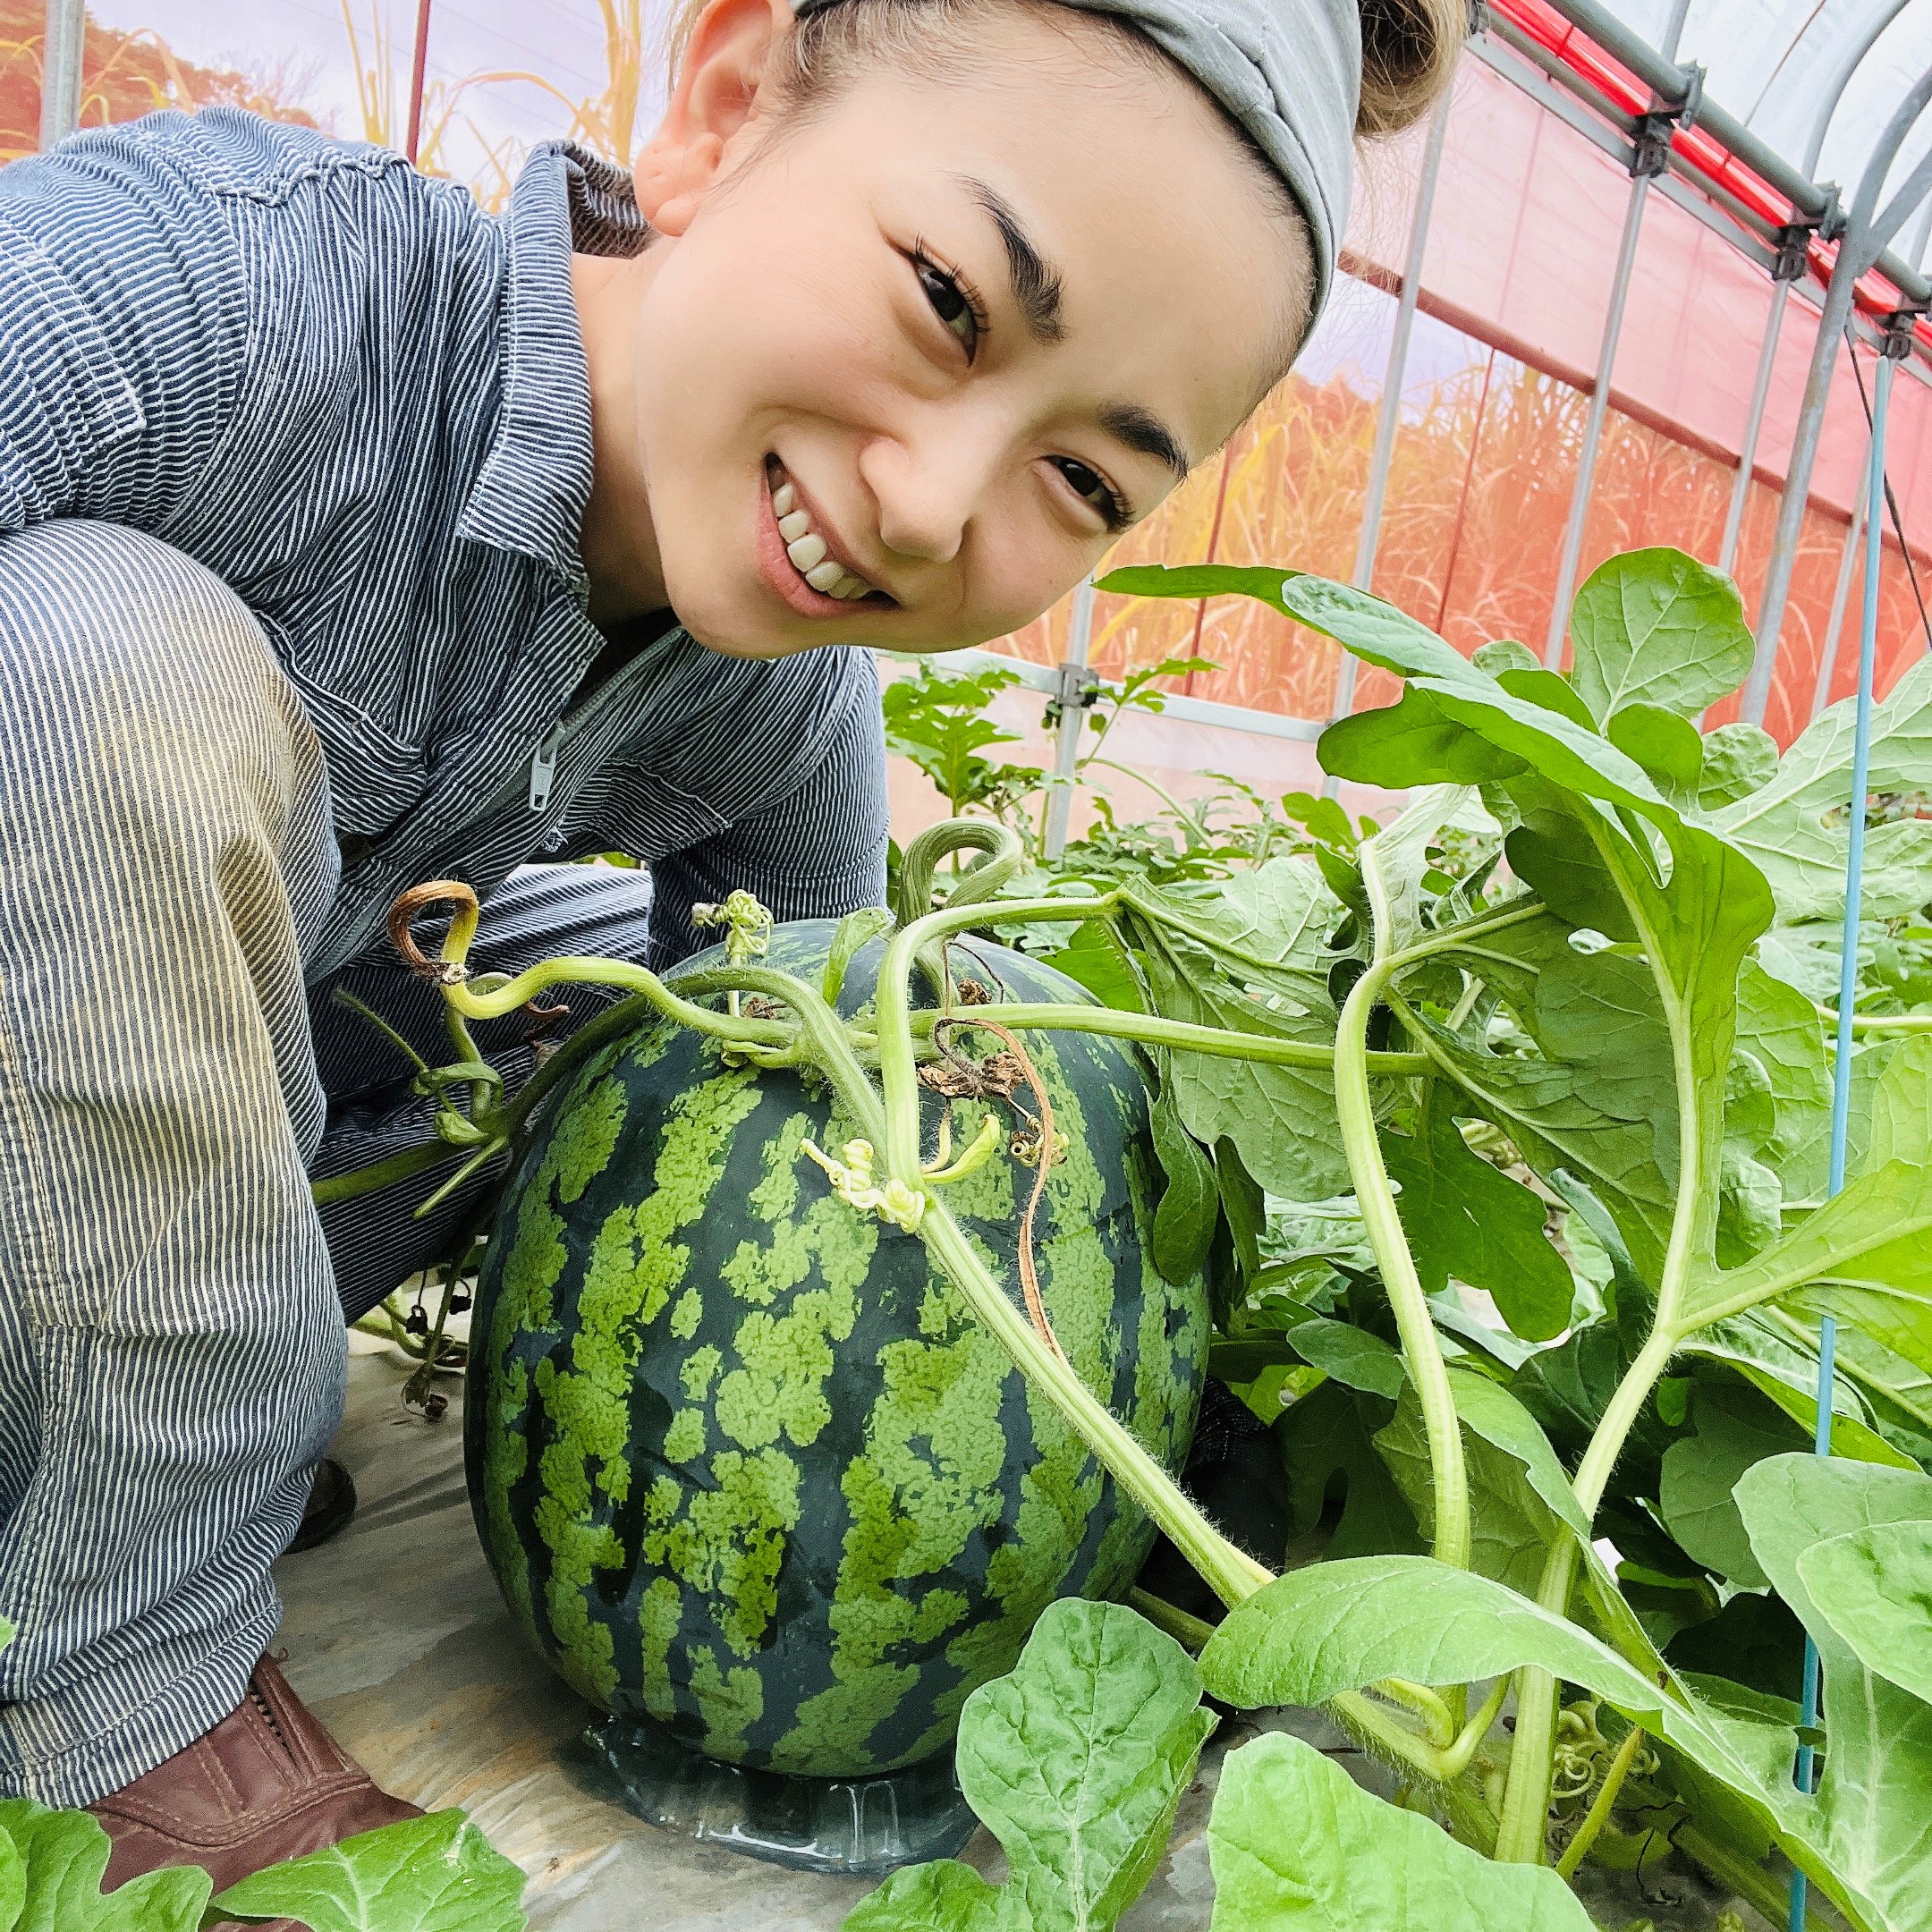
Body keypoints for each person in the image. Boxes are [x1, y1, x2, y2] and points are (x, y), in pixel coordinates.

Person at [0, 0, 1462, 1891]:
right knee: (104, 669)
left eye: (1088, 482)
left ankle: (101, 1475)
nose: (933, 505)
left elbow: (859, 1151)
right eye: (950, 299)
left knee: (676, 1000)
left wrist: (1145, 1469)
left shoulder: (780, 706)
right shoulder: (218, 296)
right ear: (723, 104)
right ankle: (135, 1683)